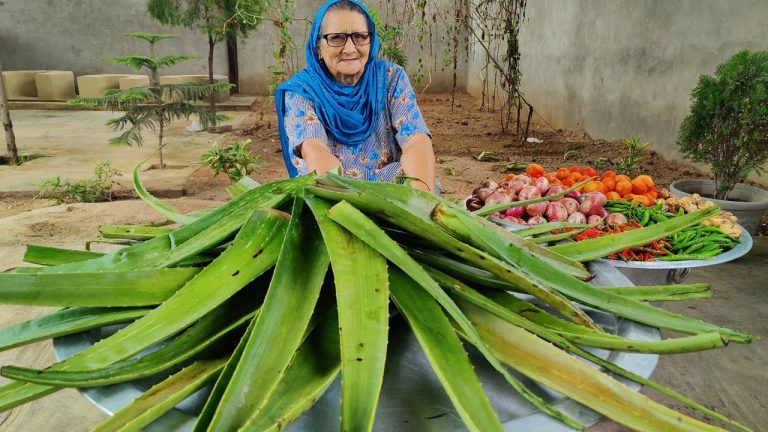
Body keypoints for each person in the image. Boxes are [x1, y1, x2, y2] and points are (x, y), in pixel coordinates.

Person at [275, 0, 437, 193]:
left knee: (419, 176)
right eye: (336, 38)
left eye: (360, 36)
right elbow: (314, 149)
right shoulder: (303, 90)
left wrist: (419, 198)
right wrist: (354, 211)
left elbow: (415, 140)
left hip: (391, 187)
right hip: (331, 189)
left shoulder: (390, 78)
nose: (350, 49)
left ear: (371, 41)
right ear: (318, 48)